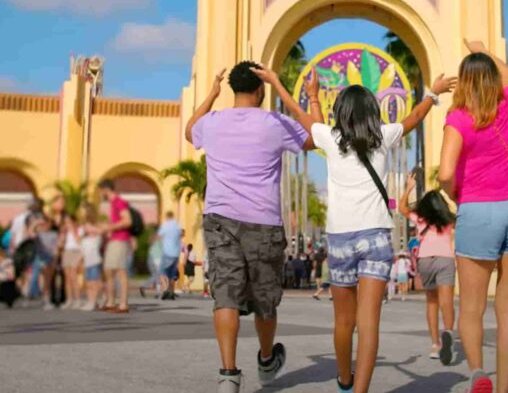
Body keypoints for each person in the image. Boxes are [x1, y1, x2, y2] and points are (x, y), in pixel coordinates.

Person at [272, 61, 454, 393]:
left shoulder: (330, 137)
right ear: (372, 111)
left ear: (340, 112)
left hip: (340, 237)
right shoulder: (383, 136)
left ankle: (344, 381)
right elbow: (414, 118)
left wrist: (290, 87)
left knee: (344, 320)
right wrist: (432, 94)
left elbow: (302, 116)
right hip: (376, 236)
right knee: (369, 322)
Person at [189, 63, 317, 393]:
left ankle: (228, 375)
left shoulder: (212, 122)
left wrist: (211, 95)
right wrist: (288, 89)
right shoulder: (275, 122)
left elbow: (190, 131)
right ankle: (265, 358)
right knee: (264, 300)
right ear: (261, 90)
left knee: (226, 297)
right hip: (263, 222)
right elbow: (317, 137)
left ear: (232, 89)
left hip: (220, 221)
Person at [438, 39, 508, 393]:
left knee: (473, 308)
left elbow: (446, 172)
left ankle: (478, 374)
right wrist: (486, 50)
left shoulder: (458, 119)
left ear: (463, 82)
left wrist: (456, 194)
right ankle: (505, 388)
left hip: (478, 211)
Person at [399, 172, 457, 364]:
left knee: (431, 303)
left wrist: (409, 188)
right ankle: (448, 332)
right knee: (446, 302)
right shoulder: (449, 220)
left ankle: (435, 344)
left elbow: (402, 208)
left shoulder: (420, 219)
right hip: (445, 259)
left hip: (425, 260)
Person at [98, 180, 132, 314]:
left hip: (120, 240)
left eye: (101, 191)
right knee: (108, 270)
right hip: (113, 240)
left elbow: (127, 221)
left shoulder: (119, 202)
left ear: (106, 190)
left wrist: (109, 227)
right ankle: (111, 302)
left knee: (120, 271)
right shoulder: (112, 204)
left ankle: (123, 305)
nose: (100, 194)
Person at [79, 206, 103, 311]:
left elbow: (99, 232)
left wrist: (92, 229)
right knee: (88, 282)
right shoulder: (85, 237)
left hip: (94, 260)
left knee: (94, 282)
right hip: (87, 261)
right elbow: (82, 248)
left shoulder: (96, 234)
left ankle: (94, 301)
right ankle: (90, 301)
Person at [156, 211, 182, 300]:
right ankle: (171, 292)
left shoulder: (165, 225)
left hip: (167, 252)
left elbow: (159, 236)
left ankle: (165, 289)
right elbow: (180, 237)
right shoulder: (177, 226)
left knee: (162, 272)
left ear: (167, 217)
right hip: (175, 253)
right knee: (172, 274)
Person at [60, 212, 83, 309]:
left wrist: (73, 231)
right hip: (67, 252)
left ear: (74, 222)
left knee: (73, 275)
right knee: (67, 277)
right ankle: (69, 300)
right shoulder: (65, 231)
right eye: (65, 222)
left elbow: (79, 241)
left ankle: (77, 299)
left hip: (76, 252)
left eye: (69, 222)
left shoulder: (79, 229)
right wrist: (63, 235)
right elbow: (61, 245)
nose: (67, 224)